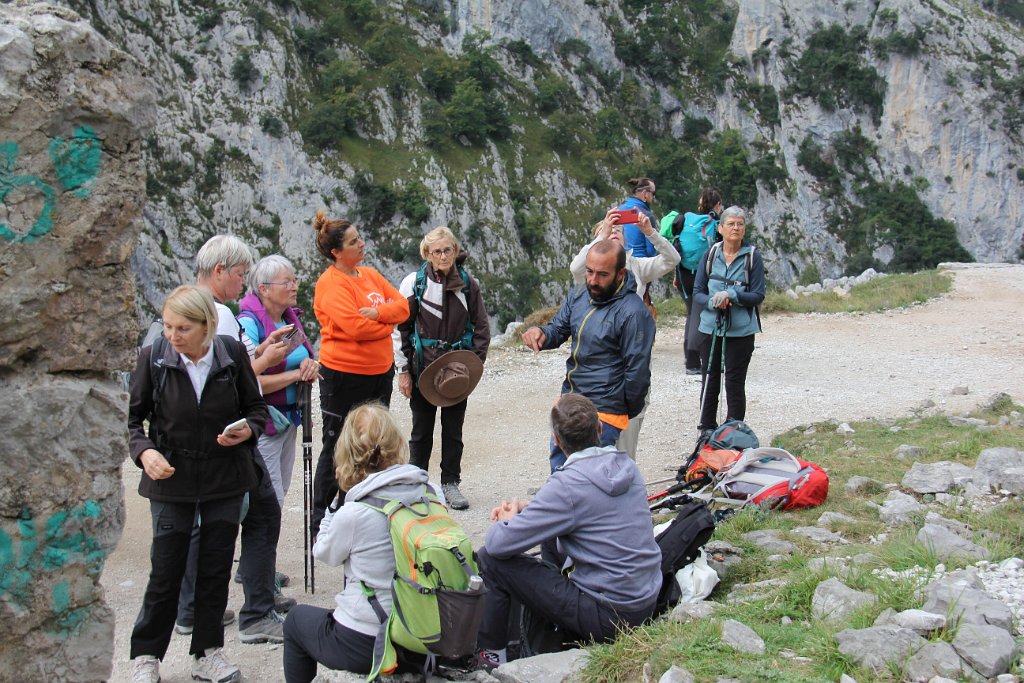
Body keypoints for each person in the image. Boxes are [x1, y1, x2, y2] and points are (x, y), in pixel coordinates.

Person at [128, 285, 267, 683]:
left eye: (183, 328)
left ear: (207, 325)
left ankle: (207, 653)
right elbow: (132, 420)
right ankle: (146, 656)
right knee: (166, 569)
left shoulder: (231, 354)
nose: (172, 335)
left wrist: (248, 429)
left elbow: (256, 409)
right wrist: (145, 453)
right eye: (168, 326)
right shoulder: (154, 356)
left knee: (215, 567)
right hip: (171, 479)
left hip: (225, 477)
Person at [473, 393, 662, 670]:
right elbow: (586, 506)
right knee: (551, 532)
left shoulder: (567, 484)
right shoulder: (626, 466)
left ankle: (491, 658)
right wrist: (529, 508)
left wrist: (507, 521)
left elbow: (498, 544)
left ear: (557, 440)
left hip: (609, 617)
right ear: (600, 429)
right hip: (645, 601)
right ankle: (552, 622)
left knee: (489, 559)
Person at [178, 235, 296, 647]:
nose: (243, 283)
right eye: (241, 274)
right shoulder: (221, 315)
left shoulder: (182, 307)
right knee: (263, 513)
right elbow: (237, 378)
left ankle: (191, 610)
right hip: (232, 433)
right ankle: (258, 613)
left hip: (194, 436)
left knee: (201, 517)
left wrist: (259, 350)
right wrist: (269, 360)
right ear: (219, 271)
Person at [282, 403, 438, 682]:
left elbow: (324, 552)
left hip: (368, 640)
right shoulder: (431, 491)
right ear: (397, 444)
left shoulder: (354, 512)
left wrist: (337, 500)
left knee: (295, 621)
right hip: (425, 632)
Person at [311, 211, 410, 540]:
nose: (361, 244)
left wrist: (378, 313)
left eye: (359, 238)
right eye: (354, 242)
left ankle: (368, 509)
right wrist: (386, 325)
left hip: (379, 373)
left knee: (377, 441)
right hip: (343, 376)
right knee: (337, 444)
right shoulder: (330, 284)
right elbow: (355, 328)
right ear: (336, 252)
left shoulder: (370, 275)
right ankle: (321, 521)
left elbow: (403, 307)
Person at [521, 241, 655, 471]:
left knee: (591, 478)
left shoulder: (634, 313)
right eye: (590, 271)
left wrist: (620, 410)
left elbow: (637, 373)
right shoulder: (580, 294)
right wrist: (541, 333)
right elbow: (558, 329)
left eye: (602, 274)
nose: (593, 280)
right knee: (561, 474)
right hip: (570, 404)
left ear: (621, 274)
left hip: (604, 411)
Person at [568, 208, 678, 459]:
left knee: (627, 438)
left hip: (631, 351)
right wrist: (602, 236)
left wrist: (650, 233)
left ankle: (625, 476)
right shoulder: (590, 273)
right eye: (607, 230)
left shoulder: (636, 266)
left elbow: (672, 260)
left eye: (618, 229)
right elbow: (576, 269)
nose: (614, 232)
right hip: (598, 361)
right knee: (592, 438)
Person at [393, 227, 490, 510]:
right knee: (421, 431)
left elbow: (481, 326)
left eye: (448, 250)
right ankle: (417, 484)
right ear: (427, 254)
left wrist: (474, 365)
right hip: (423, 369)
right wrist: (403, 371)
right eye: (437, 251)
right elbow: (400, 329)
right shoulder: (414, 284)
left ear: (455, 251)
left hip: (457, 369)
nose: (444, 256)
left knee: (453, 430)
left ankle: (450, 483)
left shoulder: (468, 285)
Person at [237, 254, 319, 507]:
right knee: (269, 499)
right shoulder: (249, 324)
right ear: (264, 289)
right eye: (287, 282)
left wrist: (308, 365)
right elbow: (250, 380)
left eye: (295, 281)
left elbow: (301, 357)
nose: (295, 287)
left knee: (279, 491)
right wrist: (296, 375)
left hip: (288, 420)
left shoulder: (287, 320)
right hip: (264, 422)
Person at [692, 206, 766, 435]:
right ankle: (706, 430)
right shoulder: (710, 255)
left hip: (741, 332)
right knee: (710, 380)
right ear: (721, 228)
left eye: (740, 224)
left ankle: (732, 432)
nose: (736, 228)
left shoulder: (752, 257)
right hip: (710, 328)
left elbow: (758, 295)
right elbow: (698, 292)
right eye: (731, 224)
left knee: (734, 383)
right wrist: (713, 302)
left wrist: (732, 295)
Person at [667, 187, 723, 375]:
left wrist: (676, 276)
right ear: (717, 205)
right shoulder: (715, 224)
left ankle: (692, 359)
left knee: (692, 313)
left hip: (683, 274)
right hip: (702, 275)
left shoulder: (687, 220)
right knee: (702, 314)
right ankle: (695, 361)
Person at [616, 177, 658, 257]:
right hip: (640, 261)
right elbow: (650, 251)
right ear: (645, 194)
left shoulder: (618, 210)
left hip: (620, 260)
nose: (654, 197)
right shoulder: (646, 216)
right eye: (653, 193)